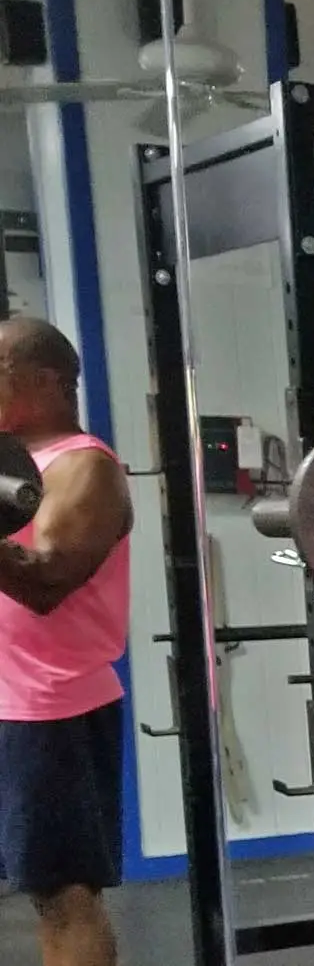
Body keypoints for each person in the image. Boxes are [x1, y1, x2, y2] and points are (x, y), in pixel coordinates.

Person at [0, 318, 132, 966]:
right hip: (6, 701)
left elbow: (47, 579)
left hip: (50, 710)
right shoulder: (9, 463)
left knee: (63, 895)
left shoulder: (84, 466)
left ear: (47, 381)